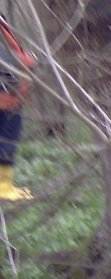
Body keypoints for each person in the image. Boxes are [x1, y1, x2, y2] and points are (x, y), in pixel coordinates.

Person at [0, 12, 34, 201]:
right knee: (6, 144)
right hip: (5, 97)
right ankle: (3, 188)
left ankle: (4, 187)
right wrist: (25, 61)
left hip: (11, 97)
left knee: (7, 144)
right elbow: (8, 58)